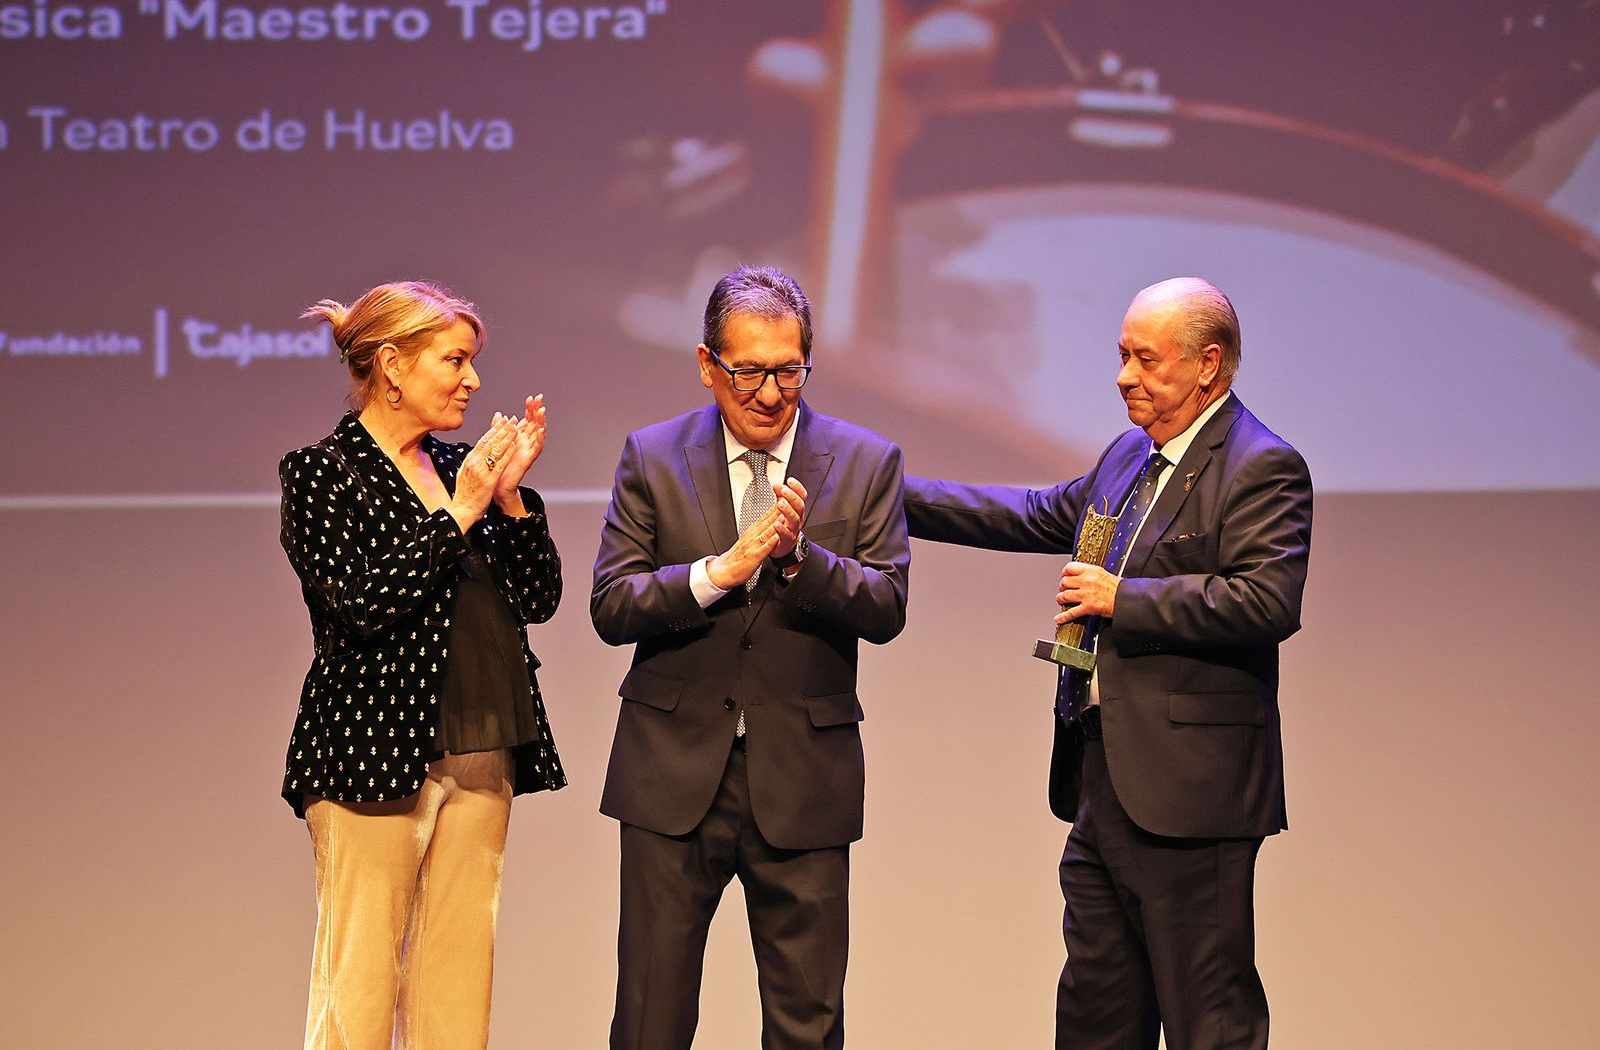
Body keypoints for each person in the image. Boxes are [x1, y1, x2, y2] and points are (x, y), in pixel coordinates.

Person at [903, 278, 1312, 1050]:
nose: (1123, 374)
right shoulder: (1129, 456)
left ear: (1208, 365)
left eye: (1144, 359)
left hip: (1192, 797)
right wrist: (883, 491)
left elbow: (1266, 601)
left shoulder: (1262, 466)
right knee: (1096, 1017)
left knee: (1209, 1023)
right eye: (1121, 354)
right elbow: (1028, 513)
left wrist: (1126, 598)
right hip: (1103, 784)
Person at [591, 265, 911, 1050]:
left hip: (804, 778)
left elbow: (887, 607)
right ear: (708, 365)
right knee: (649, 1020)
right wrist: (717, 573)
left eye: (789, 370)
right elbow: (611, 605)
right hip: (671, 777)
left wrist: (804, 561)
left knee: (809, 1023)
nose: (771, 393)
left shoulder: (867, 461)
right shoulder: (653, 455)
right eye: (749, 372)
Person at [277, 280, 566, 1049]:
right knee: (361, 985)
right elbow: (359, 604)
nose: (473, 379)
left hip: (482, 748)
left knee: (457, 986)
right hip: (372, 756)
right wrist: (461, 512)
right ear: (392, 364)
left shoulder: (460, 466)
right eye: (457, 360)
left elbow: (539, 598)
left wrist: (507, 501)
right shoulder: (320, 473)